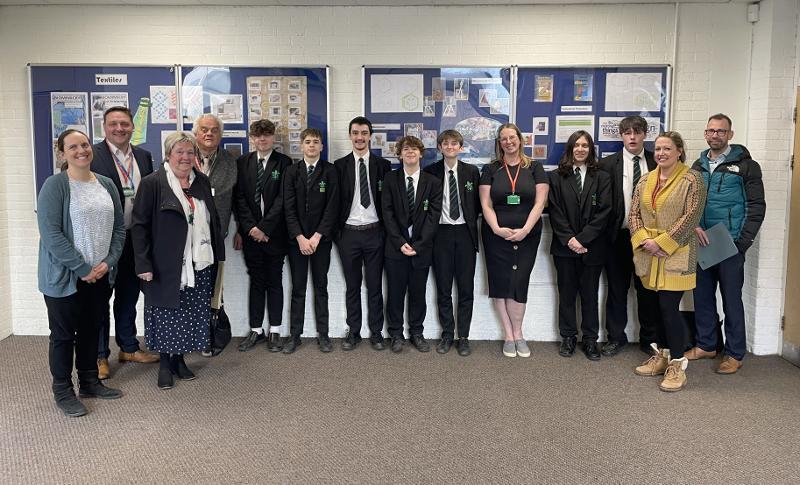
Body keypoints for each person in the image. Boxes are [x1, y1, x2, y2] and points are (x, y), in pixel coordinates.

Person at [37, 129, 125, 417]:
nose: (81, 151)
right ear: (63, 153)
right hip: (67, 277)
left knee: (91, 330)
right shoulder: (55, 185)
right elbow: (51, 234)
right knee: (63, 335)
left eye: (85, 145)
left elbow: (119, 230)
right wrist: (83, 268)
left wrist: (107, 262)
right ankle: (63, 390)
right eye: (73, 147)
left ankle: (89, 381)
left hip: (99, 275)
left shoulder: (108, 184)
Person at [131, 132, 225, 390]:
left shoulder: (201, 182)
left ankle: (179, 360)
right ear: (168, 154)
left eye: (189, 152)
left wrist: (218, 256)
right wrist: (143, 264)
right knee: (165, 314)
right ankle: (164, 364)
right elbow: (139, 226)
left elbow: (211, 220)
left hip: (199, 261)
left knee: (190, 314)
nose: (185, 157)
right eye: (179, 152)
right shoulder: (153, 183)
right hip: (165, 264)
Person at [687, 114, 766, 374]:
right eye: (711, 130)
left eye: (721, 131)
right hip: (703, 241)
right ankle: (707, 344)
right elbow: (689, 204)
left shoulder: (746, 166)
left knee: (731, 299)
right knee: (703, 297)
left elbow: (756, 207)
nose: (715, 135)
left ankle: (734, 352)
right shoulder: (697, 167)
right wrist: (695, 226)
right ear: (705, 134)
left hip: (730, 244)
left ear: (730, 135)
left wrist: (743, 243)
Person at [630, 131, 706, 392]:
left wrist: (663, 243)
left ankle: (677, 364)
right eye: (658, 149)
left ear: (679, 151)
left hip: (677, 253)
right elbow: (634, 214)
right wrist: (644, 241)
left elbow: (691, 216)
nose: (661, 153)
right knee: (652, 308)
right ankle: (661, 356)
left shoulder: (692, 179)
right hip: (647, 253)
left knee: (668, 308)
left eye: (667, 149)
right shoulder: (645, 180)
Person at [90, 106, 159, 379]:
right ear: (104, 127)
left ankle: (128, 346)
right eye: (113, 124)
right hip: (105, 240)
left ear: (132, 127)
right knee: (99, 300)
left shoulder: (144, 156)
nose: (119, 128)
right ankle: (98, 356)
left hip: (136, 238)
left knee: (129, 295)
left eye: (124, 124)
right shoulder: (93, 156)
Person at [479, 123, 548, 358]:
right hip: (496, 235)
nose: (508, 142)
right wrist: (496, 228)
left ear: (520, 139)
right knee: (500, 282)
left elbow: (540, 203)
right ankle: (508, 335)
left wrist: (526, 229)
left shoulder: (535, 168)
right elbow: (486, 203)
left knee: (519, 282)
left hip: (527, 235)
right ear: (499, 143)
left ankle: (519, 333)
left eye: (512, 137)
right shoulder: (491, 169)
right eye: (503, 139)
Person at [548, 131, 612, 360]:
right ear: (570, 149)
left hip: (592, 247)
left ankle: (590, 340)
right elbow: (554, 211)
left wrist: (582, 239)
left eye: (585, 145)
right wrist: (570, 240)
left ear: (591, 149)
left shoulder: (602, 177)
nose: (581, 149)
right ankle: (568, 337)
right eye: (576, 145)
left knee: (589, 294)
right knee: (566, 294)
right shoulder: (556, 177)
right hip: (564, 248)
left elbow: (604, 211)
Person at [598, 116, 659, 356]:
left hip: (649, 239)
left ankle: (649, 339)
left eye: (637, 132)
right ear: (621, 136)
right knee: (616, 290)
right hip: (618, 237)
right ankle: (615, 337)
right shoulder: (607, 164)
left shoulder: (657, 161)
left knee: (647, 290)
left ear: (645, 134)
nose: (632, 137)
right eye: (627, 133)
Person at [333, 117, 392, 351]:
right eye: (355, 133)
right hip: (348, 235)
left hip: (375, 233)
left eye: (364, 133)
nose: (359, 137)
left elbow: (388, 202)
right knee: (352, 286)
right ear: (350, 135)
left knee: (375, 286)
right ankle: (354, 332)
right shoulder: (339, 166)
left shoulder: (383, 166)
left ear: (370, 136)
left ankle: (376, 333)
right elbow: (334, 203)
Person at [234, 119, 292, 353]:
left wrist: (265, 228)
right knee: (256, 281)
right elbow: (239, 199)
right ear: (252, 138)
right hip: (251, 236)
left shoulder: (284, 162)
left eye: (267, 136)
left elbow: (283, 199)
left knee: (274, 281)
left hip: (275, 234)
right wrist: (251, 228)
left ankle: (275, 330)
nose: (262, 140)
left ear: (273, 138)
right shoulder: (243, 162)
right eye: (258, 136)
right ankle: (256, 330)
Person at [382, 136, 442, 353]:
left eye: (414, 149)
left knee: (418, 293)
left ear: (421, 153)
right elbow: (386, 213)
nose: (410, 152)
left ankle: (417, 332)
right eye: (405, 149)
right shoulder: (390, 179)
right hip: (395, 248)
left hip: (421, 249)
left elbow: (433, 217)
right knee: (395, 293)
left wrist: (419, 243)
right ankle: (396, 334)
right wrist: (400, 242)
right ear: (399, 154)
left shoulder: (433, 182)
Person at [423, 130, 481, 356]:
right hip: (441, 234)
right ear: (439, 147)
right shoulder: (430, 172)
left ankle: (463, 336)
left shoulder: (471, 172)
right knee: (444, 288)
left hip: (465, 234)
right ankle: (448, 333)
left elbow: (478, 204)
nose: (449, 146)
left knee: (466, 288)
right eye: (445, 143)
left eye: (454, 143)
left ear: (460, 147)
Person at [282, 128, 340, 354]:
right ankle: (294, 335)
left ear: (322, 147)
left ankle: (323, 335)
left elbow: (332, 207)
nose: (312, 146)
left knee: (320, 287)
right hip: (297, 241)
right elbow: (288, 207)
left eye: (316, 142)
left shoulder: (331, 171)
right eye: (308, 142)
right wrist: (300, 237)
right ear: (301, 145)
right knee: (298, 288)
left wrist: (316, 237)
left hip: (320, 241)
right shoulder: (291, 171)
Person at [193, 114, 237, 354]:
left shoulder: (230, 161)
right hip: (187, 235)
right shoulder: (183, 156)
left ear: (220, 135)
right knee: (190, 285)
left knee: (213, 286)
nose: (209, 134)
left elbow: (237, 197)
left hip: (216, 233)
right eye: (204, 130)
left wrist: (239, 228)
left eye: (214, 130)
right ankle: (191, 335)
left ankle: (210, 335)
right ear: (196, 133)